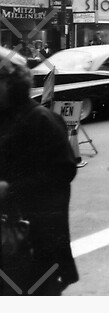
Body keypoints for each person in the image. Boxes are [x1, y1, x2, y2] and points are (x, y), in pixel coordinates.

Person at [0, 47, 79, 296]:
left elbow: (61, 174)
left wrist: (10, 189)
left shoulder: (41, 120)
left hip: (32, 243)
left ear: (9, 82)